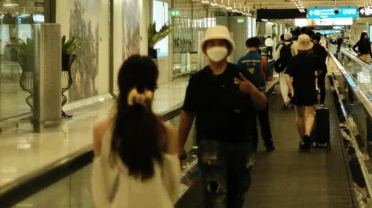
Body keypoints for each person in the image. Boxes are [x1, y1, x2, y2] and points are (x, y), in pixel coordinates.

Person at [177, 25, 268, 208]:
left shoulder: (239, 74)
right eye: (212, 43)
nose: (216, 47)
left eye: (221, 43)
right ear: (205, 48)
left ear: (228, 48)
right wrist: (179, 145)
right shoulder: (198, 80)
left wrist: (252, 91)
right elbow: (188, 113)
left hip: (240, 145)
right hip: (209, 145)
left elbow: (261, 104)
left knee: (237, 194)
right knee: (216, 196)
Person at [92, 56, 180, 207]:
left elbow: (100, 188)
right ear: (152, 89)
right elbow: (172, 185)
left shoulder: (101, 131)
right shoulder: (165, 132)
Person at [284, 34, 321, 151]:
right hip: (310, 88)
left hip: (297, 89)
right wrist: (315, 75)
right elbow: (320, 71)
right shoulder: (315, 58)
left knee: (299, 115)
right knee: (310, 114)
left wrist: (291, 89)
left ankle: (302, 140)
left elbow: (287, 74)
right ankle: (308, 134)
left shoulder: (294, 59)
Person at [237, 37, 274, 152]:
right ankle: (268, 144)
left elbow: (237, 77)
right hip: (260, 94)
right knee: (264, 120)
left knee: (251, 120)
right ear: (259, 46)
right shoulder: (262, 60)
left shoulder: (241, 60)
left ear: (246, 46)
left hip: (246, 95)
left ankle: (253, 145)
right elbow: (269, 77)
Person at [274, 33, 294, 109]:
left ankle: (286, 102)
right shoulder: (294, 45)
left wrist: (278, 68)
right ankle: (293, 100)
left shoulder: (280, 46)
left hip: (283, 69)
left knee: (284, 84)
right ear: (291, 38)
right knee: (292, 83)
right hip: (293, 68)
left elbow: (276, 58)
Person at [311, 33, 329, 105]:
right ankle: (322, 101)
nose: (311, 40)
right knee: (322, 85)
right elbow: (324, 57)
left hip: (314, 69)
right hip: (322, 68)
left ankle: (314, 100)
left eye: (312, 39)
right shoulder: (322, 48)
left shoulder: (312, 49)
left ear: (315, 40)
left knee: (313, 84)